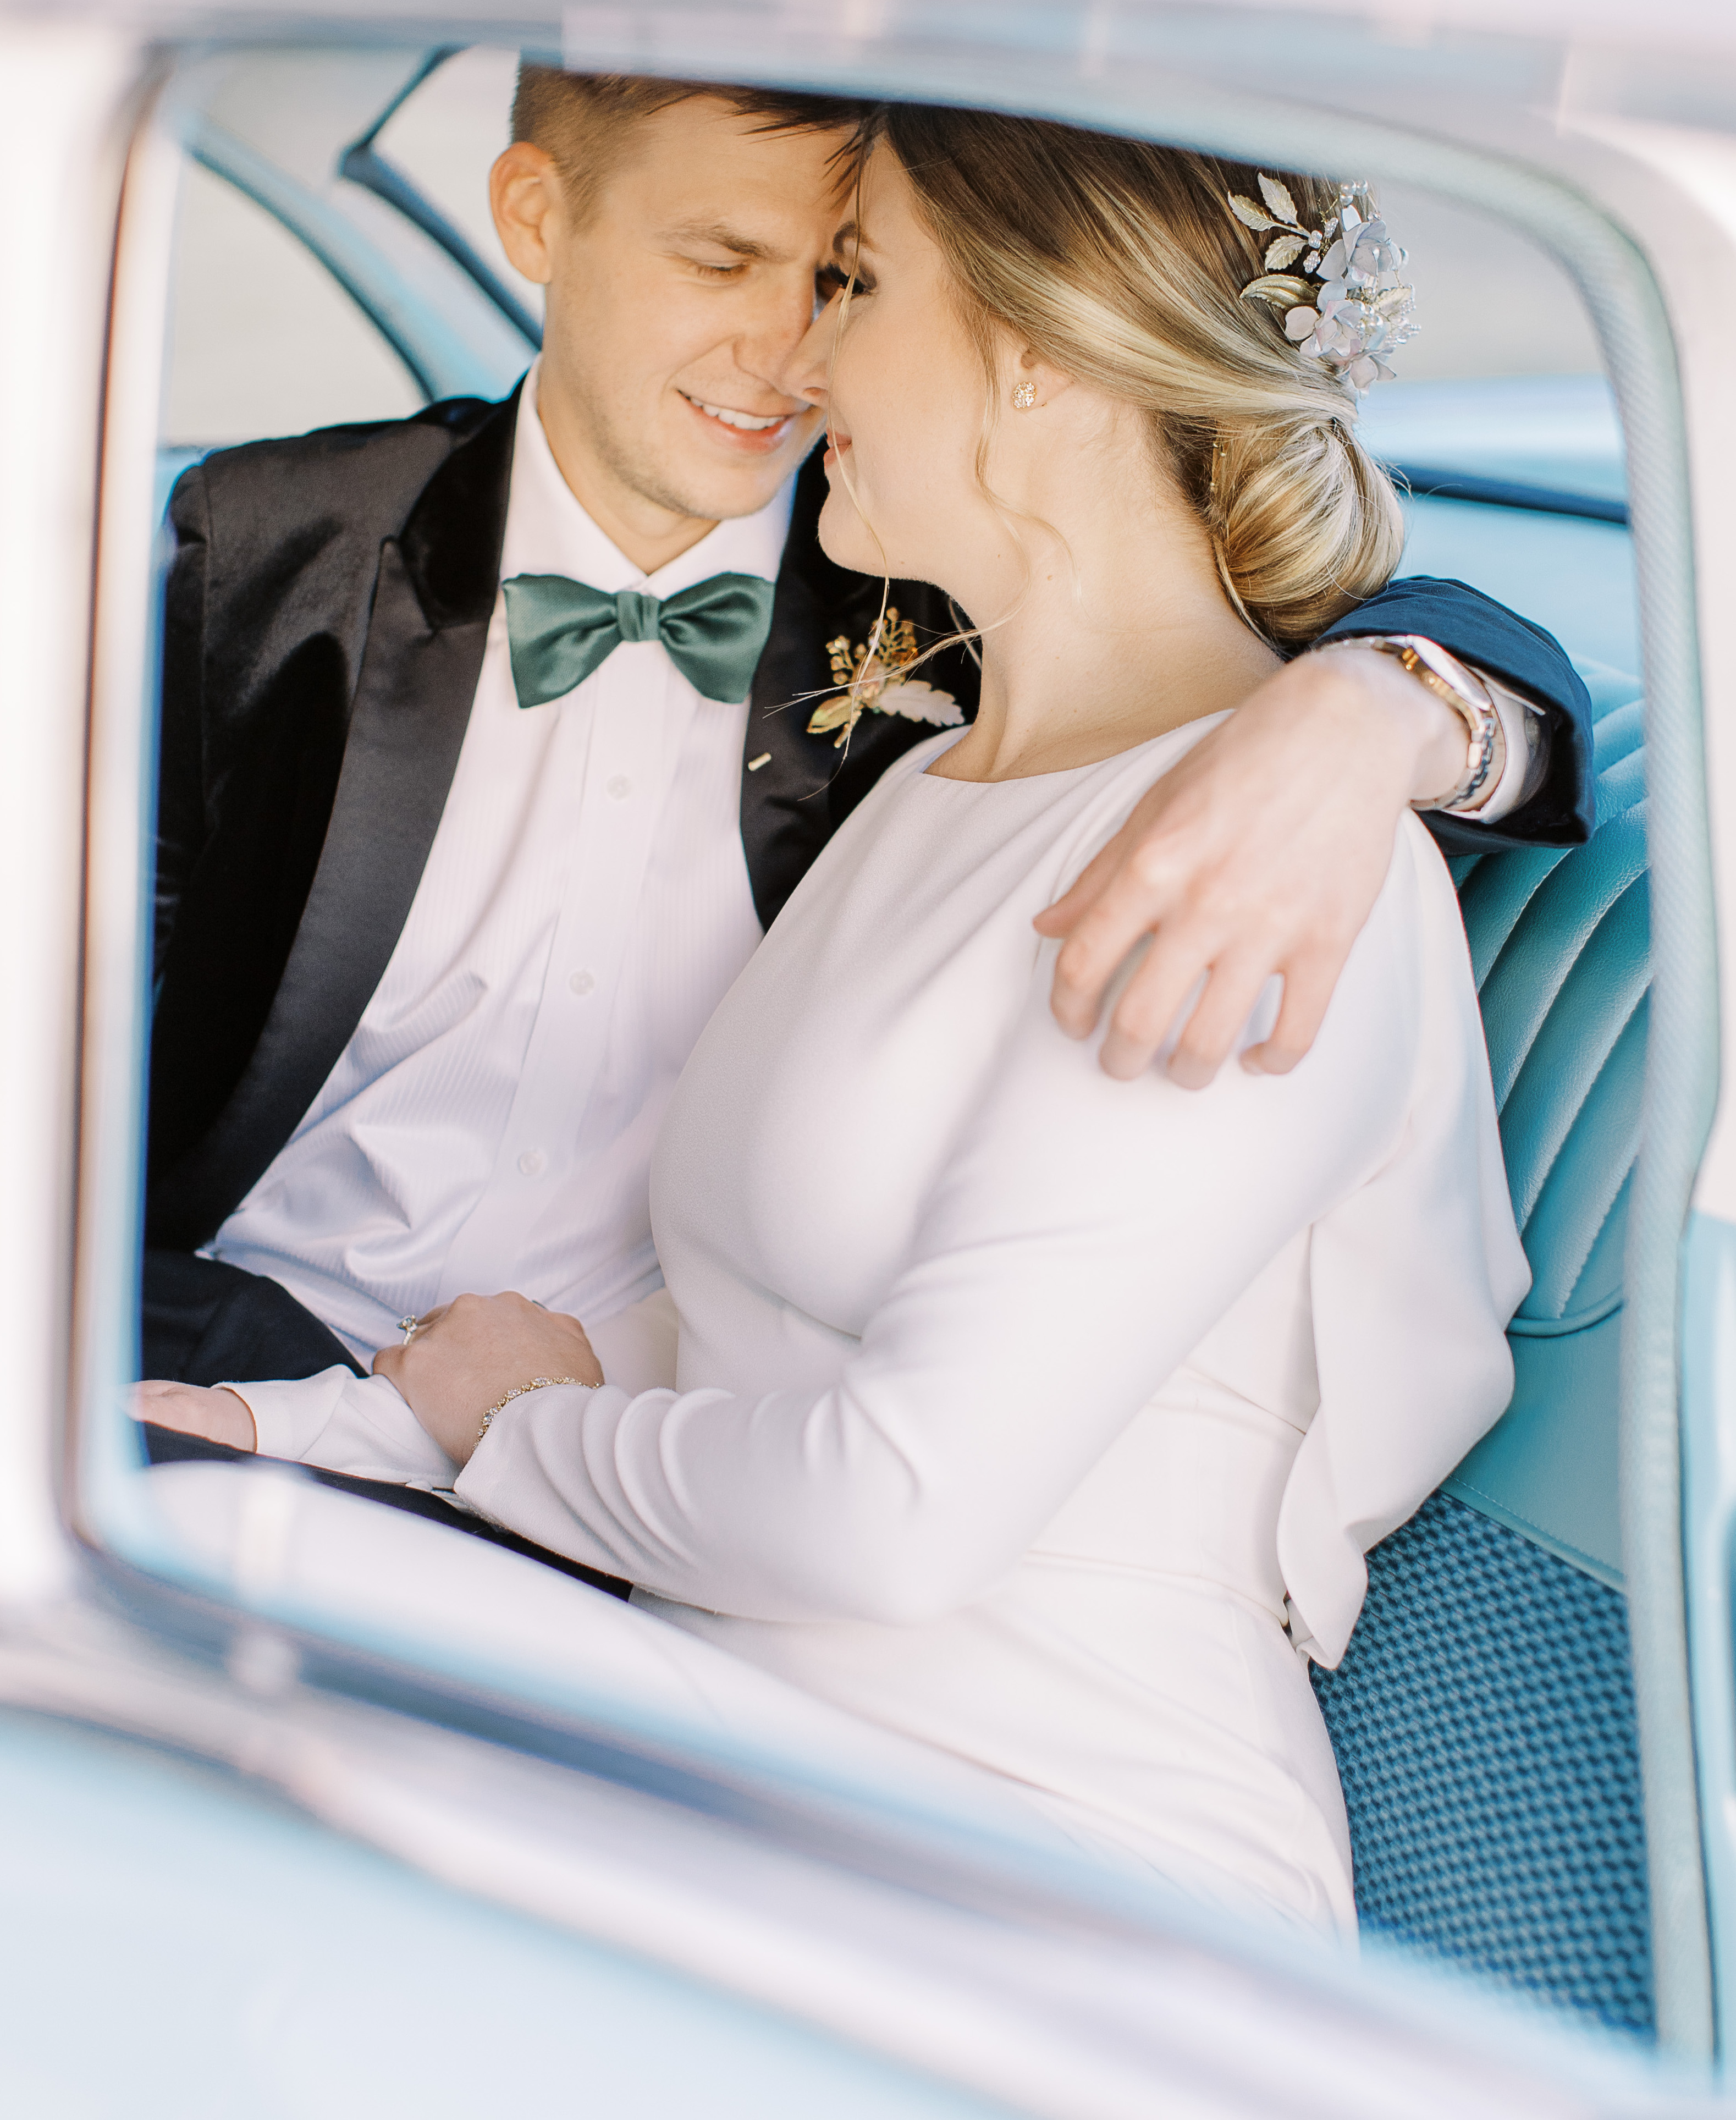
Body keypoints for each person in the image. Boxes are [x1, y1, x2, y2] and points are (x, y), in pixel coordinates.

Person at [142, 108, 1529, 1934]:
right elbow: (719, 1334)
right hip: (717, 1698)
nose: (803, 357)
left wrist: (505, 1441)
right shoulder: (936, 778)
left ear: (1030, 364)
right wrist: (310, 1436)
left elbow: (898, 1508)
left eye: (856, 283)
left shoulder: (1246, 867)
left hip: (1029, 1852)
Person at [138, 68, 1578, 1412]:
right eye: (721, 262)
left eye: (843, 279)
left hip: (652, 1416)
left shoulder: (947, 585)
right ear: (537, 215)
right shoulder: (274, 542)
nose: (796, 354)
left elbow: (1364, 620)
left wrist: (1374, 707)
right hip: (221, 1334)